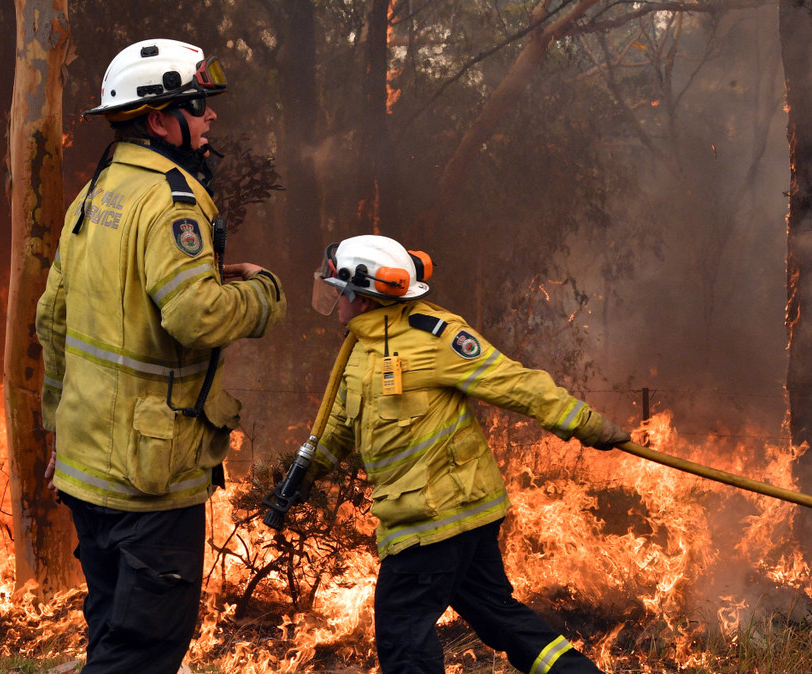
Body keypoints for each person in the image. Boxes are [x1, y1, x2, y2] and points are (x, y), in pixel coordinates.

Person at [35, 38, 286, 673]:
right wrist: (262, 294)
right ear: (158, 119)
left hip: (89, 466)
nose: (210, 118)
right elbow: (196, 317)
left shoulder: (92, 198)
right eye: (198, 105)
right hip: (147, 478)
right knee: (144, 651)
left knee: (112, 631)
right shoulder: (172, 202)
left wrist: (56, 428)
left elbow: (53, 318)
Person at [291, 234, 627, 674]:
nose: (335, 304)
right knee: (499, 618)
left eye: (339, 294)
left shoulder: (435, 336)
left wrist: (584, 423)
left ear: (365, 297)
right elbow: (335, 426)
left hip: (431, 522)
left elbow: (512, 382)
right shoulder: (359, 349)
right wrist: (302, 476)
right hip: (455, 517)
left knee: (402, 636)